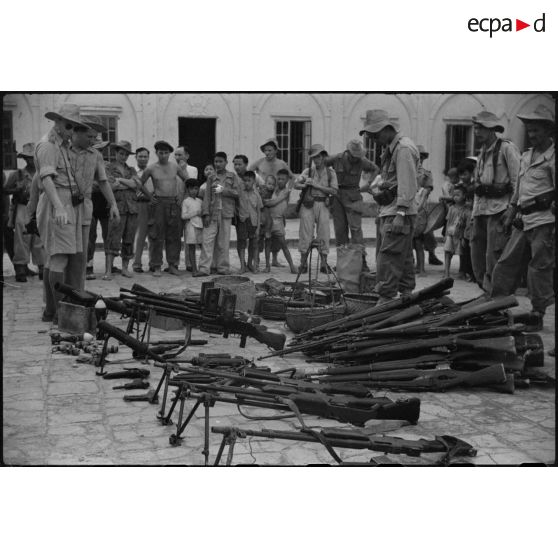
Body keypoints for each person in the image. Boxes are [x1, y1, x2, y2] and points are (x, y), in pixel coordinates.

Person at [491, 105, 555, 332]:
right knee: (506, 262)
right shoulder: (526, 155)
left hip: (544, 221)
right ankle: (496, 306)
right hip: (522, 218)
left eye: (537, 130)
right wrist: (510, 211)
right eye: (529, 130)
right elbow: (519, 188)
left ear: (549, 131)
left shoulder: (553, 158)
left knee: (539, 268)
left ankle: (538, 313)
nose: (532, 135)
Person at [33, 104, 97, 322]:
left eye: (75, 127)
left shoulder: (61, 145)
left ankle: (51, 310)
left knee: (56, 260)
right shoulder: (48, 146)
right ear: (57, 123)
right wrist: (59, 207)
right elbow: (46, 179)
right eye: (68, 126)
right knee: (58, 259)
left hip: (67, 204)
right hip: (57, 205)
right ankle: (59, 311)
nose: (71, 131)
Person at [360, 109, 419, 303]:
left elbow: (408, 183)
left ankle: (385, 299)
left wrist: (400, 214)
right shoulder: (392, 148)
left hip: (398, 211)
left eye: (375, 135)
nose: (374, 139)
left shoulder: (402, 149)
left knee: (389, 257)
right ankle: (407, 295)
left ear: (386, 129)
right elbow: (397, 179)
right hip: (392, 209)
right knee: (403, 257)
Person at [470, 111, 520, 292]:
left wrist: (512, 211)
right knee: (477, 257)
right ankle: (487, 294)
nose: (477, 132)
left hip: (499, 211)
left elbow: (517, 181)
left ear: (492, 130)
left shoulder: (507, 148)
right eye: (476, 128)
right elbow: (478, 187)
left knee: (495, 256)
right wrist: (474, 215)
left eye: (481, 128)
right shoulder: (482, 152)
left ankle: (497, 299)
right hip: (481, 211)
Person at [69, 123, 118, 289]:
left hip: (85, 206)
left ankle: (77, 290)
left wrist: (113, 204)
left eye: (94, 138)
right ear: (76, 133)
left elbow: (104, 181)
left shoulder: (95, 155)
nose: (92, 141)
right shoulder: (63, 151)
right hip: (64, 206)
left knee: (81, 251)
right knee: (63, 252)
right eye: (89, 137)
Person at [325, 139, 378, 270]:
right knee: (340, 231)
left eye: (358, 156)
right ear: (348, 152)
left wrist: (370, 183)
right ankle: (342, 263)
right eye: (354, 156)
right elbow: (322, 163)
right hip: (337, 197)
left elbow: (376, 168)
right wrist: (327, 183)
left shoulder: (362, 161)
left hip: (354, 196)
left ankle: (362, 262)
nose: (356, 159)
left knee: (356, 231)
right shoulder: (336, 158)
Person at [139, 140, 188, 277]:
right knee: (156, 236)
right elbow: (139, 183)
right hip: (158, 203)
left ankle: (173, 264)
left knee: (174, 235)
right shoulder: (151, 168)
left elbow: (187, 180)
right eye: (161, 153)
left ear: (169, 153)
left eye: (166, 153)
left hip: (173, 203)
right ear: (156, 153)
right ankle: (156, 266)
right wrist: (150, 196)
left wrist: (181, 195)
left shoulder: (175, 167)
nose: (163, 155)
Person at [4, 143, 46, 282]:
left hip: (39, 207)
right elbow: (5, 190)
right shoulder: (18, 174)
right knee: (22, 238)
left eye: (32, 157)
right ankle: (20, 269)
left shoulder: (43, 173)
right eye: (27, 158)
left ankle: (42, 267)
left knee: (39, 238)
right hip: (22, 207)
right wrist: (17, 189)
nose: (30, 160)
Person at [294, 144, 338, 273]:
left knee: (324, 233)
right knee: (305, 233)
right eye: (314, 158)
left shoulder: (331, 173)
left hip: (323, 204)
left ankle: (324, 263)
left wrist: (316, 185)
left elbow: (334, 191)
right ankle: (303, 263)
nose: (316, 160)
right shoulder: (308, 171)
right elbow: (295, 184)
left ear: (324, 156)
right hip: (308, 204)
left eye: (318, 157)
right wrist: (303, 184)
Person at [194, 152, 239, 276]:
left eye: (220, 161)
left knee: (223, 242)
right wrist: (206, 213)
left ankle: (223, 268)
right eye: (216, 162)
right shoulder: (211, 178)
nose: (218, 164)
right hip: (213, 212)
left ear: (226, 162)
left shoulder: (232, 176)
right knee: (207, 240)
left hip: (226, 213)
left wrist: (224, 190)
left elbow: (237, 193)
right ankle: (204, 269)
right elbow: (207, 197)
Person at [103, 141, 140, 279]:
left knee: (129, 238)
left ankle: (125, 268)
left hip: (132, 207)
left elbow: (136, 185)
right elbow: (110, 186)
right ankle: (108, 270)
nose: (123, 156)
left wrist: (120, 181)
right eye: (121, 153)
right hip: (117, 207)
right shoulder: (109, 168)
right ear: (116, 153)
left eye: (126, 154)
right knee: (113, 237)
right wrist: (127, 183)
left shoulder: (132, 170)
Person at [85, 140, 111, 280]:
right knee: (90, 238)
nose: (100, 152)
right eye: (98, 149)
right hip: (90, 204)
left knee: (108, 236)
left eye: (102, 149)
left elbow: (111, 182)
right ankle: (88, 267)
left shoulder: (107, 165)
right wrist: (101, 183)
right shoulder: (85, 164)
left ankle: (109, 268)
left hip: (105, 204)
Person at [265, 168, 297, 273]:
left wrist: (268, 202)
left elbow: (273, 203)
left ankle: (292, 266)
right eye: (278, 179)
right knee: (269, 243)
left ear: (287, 180)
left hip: (278, 220)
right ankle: (270, 264)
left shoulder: (286, 191)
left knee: (283, 244)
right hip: (269, 220)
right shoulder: (274, 188)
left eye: (283, 179)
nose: (280, 181)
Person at [416, 146, 442, 266]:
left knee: (427, 232)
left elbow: (427, 191)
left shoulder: (426, 174)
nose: (419, 159)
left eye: (421, 157)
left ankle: (432, 254)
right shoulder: (405, 170)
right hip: (408, 204)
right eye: (417, 156)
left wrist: (419, 207)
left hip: (421, 206)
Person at [237, 171, 263, 273]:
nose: (247, 183)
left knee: (253, 244)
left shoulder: (256, 194)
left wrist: (258, 227)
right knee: (242, 243)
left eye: (249, 181)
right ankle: (242, 266)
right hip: (243, 220)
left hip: (254, 222)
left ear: (254, 181)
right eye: (245, 181)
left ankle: (251, 264)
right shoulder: (240, 192)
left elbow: (259, 211)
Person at [132, 147, 153, 273]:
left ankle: (153, 263)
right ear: (136, 157)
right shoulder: (133, 172)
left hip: (153, 205)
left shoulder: (153, 170)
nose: (143, 159)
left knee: (153, 235)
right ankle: (137, 263)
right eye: (140, 156)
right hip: (140, 205)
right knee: (140, 235)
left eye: (145, 156)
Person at [456, 159, 477, 281]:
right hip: (463, 220)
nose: (462, 177)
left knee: (472, 246)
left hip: (472, 219)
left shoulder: (474, 187)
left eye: (464, 174)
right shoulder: (462, 187)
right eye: (460, 175)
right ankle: (463, 270)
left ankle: (473, 273)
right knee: (463, 245)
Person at [443, 185, 468, 279]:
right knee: (448, 252)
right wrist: (445, 234)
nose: (455, 197)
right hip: (450, 234)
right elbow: (448, 222)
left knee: (462, 254)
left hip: (461, 235)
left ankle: (462, 272)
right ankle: (446, 273)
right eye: (454, 195)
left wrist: (465, 236)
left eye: (458, 195)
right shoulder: (451, 208)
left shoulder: (467, 209)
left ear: (464, 196)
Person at [181, 179, 203, 274]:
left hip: (200, 226)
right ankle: (194, 269)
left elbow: (203, 213)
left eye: (196, 189)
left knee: (203, 247)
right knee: (191, 248)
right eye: (191, 189)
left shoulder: (200, 201)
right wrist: (196, 213)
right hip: (190, 226)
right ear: (187, 189)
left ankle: (202, 267)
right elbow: (183, 216)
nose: (194, 191)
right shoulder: (186, 201)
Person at [256, 174, 276, 272]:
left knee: (268, 243)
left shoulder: (274, 194)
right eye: (269, 183)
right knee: (257, 243)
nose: (270, 186)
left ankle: (268, 265)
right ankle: (256, 263)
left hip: (268, 223)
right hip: (260, 221)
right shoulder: (261, 190)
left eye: (273, 184)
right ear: (265, 183)